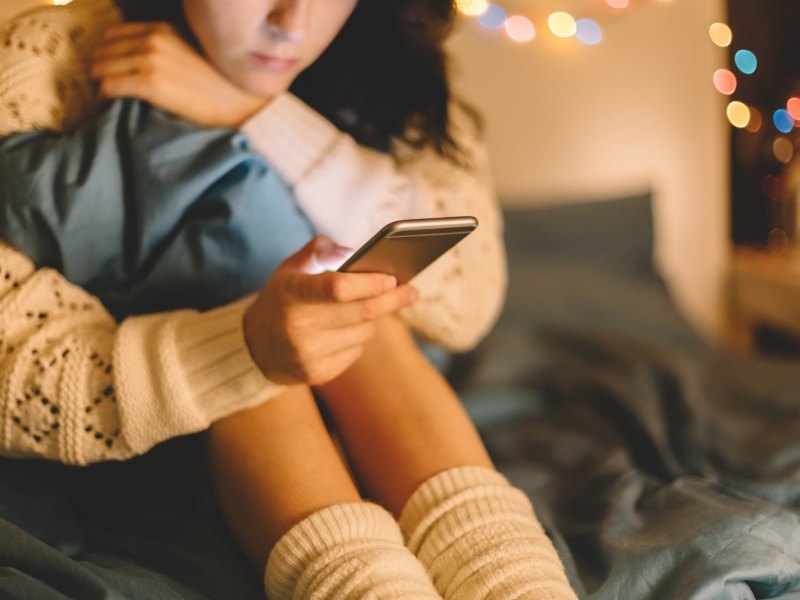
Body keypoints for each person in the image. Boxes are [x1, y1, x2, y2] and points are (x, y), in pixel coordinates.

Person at [0, 0, 578, 598]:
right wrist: (244, 346)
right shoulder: (47, 55)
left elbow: (468, 300)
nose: (292, 23)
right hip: (162, 414)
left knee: (358, 304)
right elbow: (12, 363)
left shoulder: (397, 53)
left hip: (373, 382)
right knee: (263, 318)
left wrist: (258, 113)